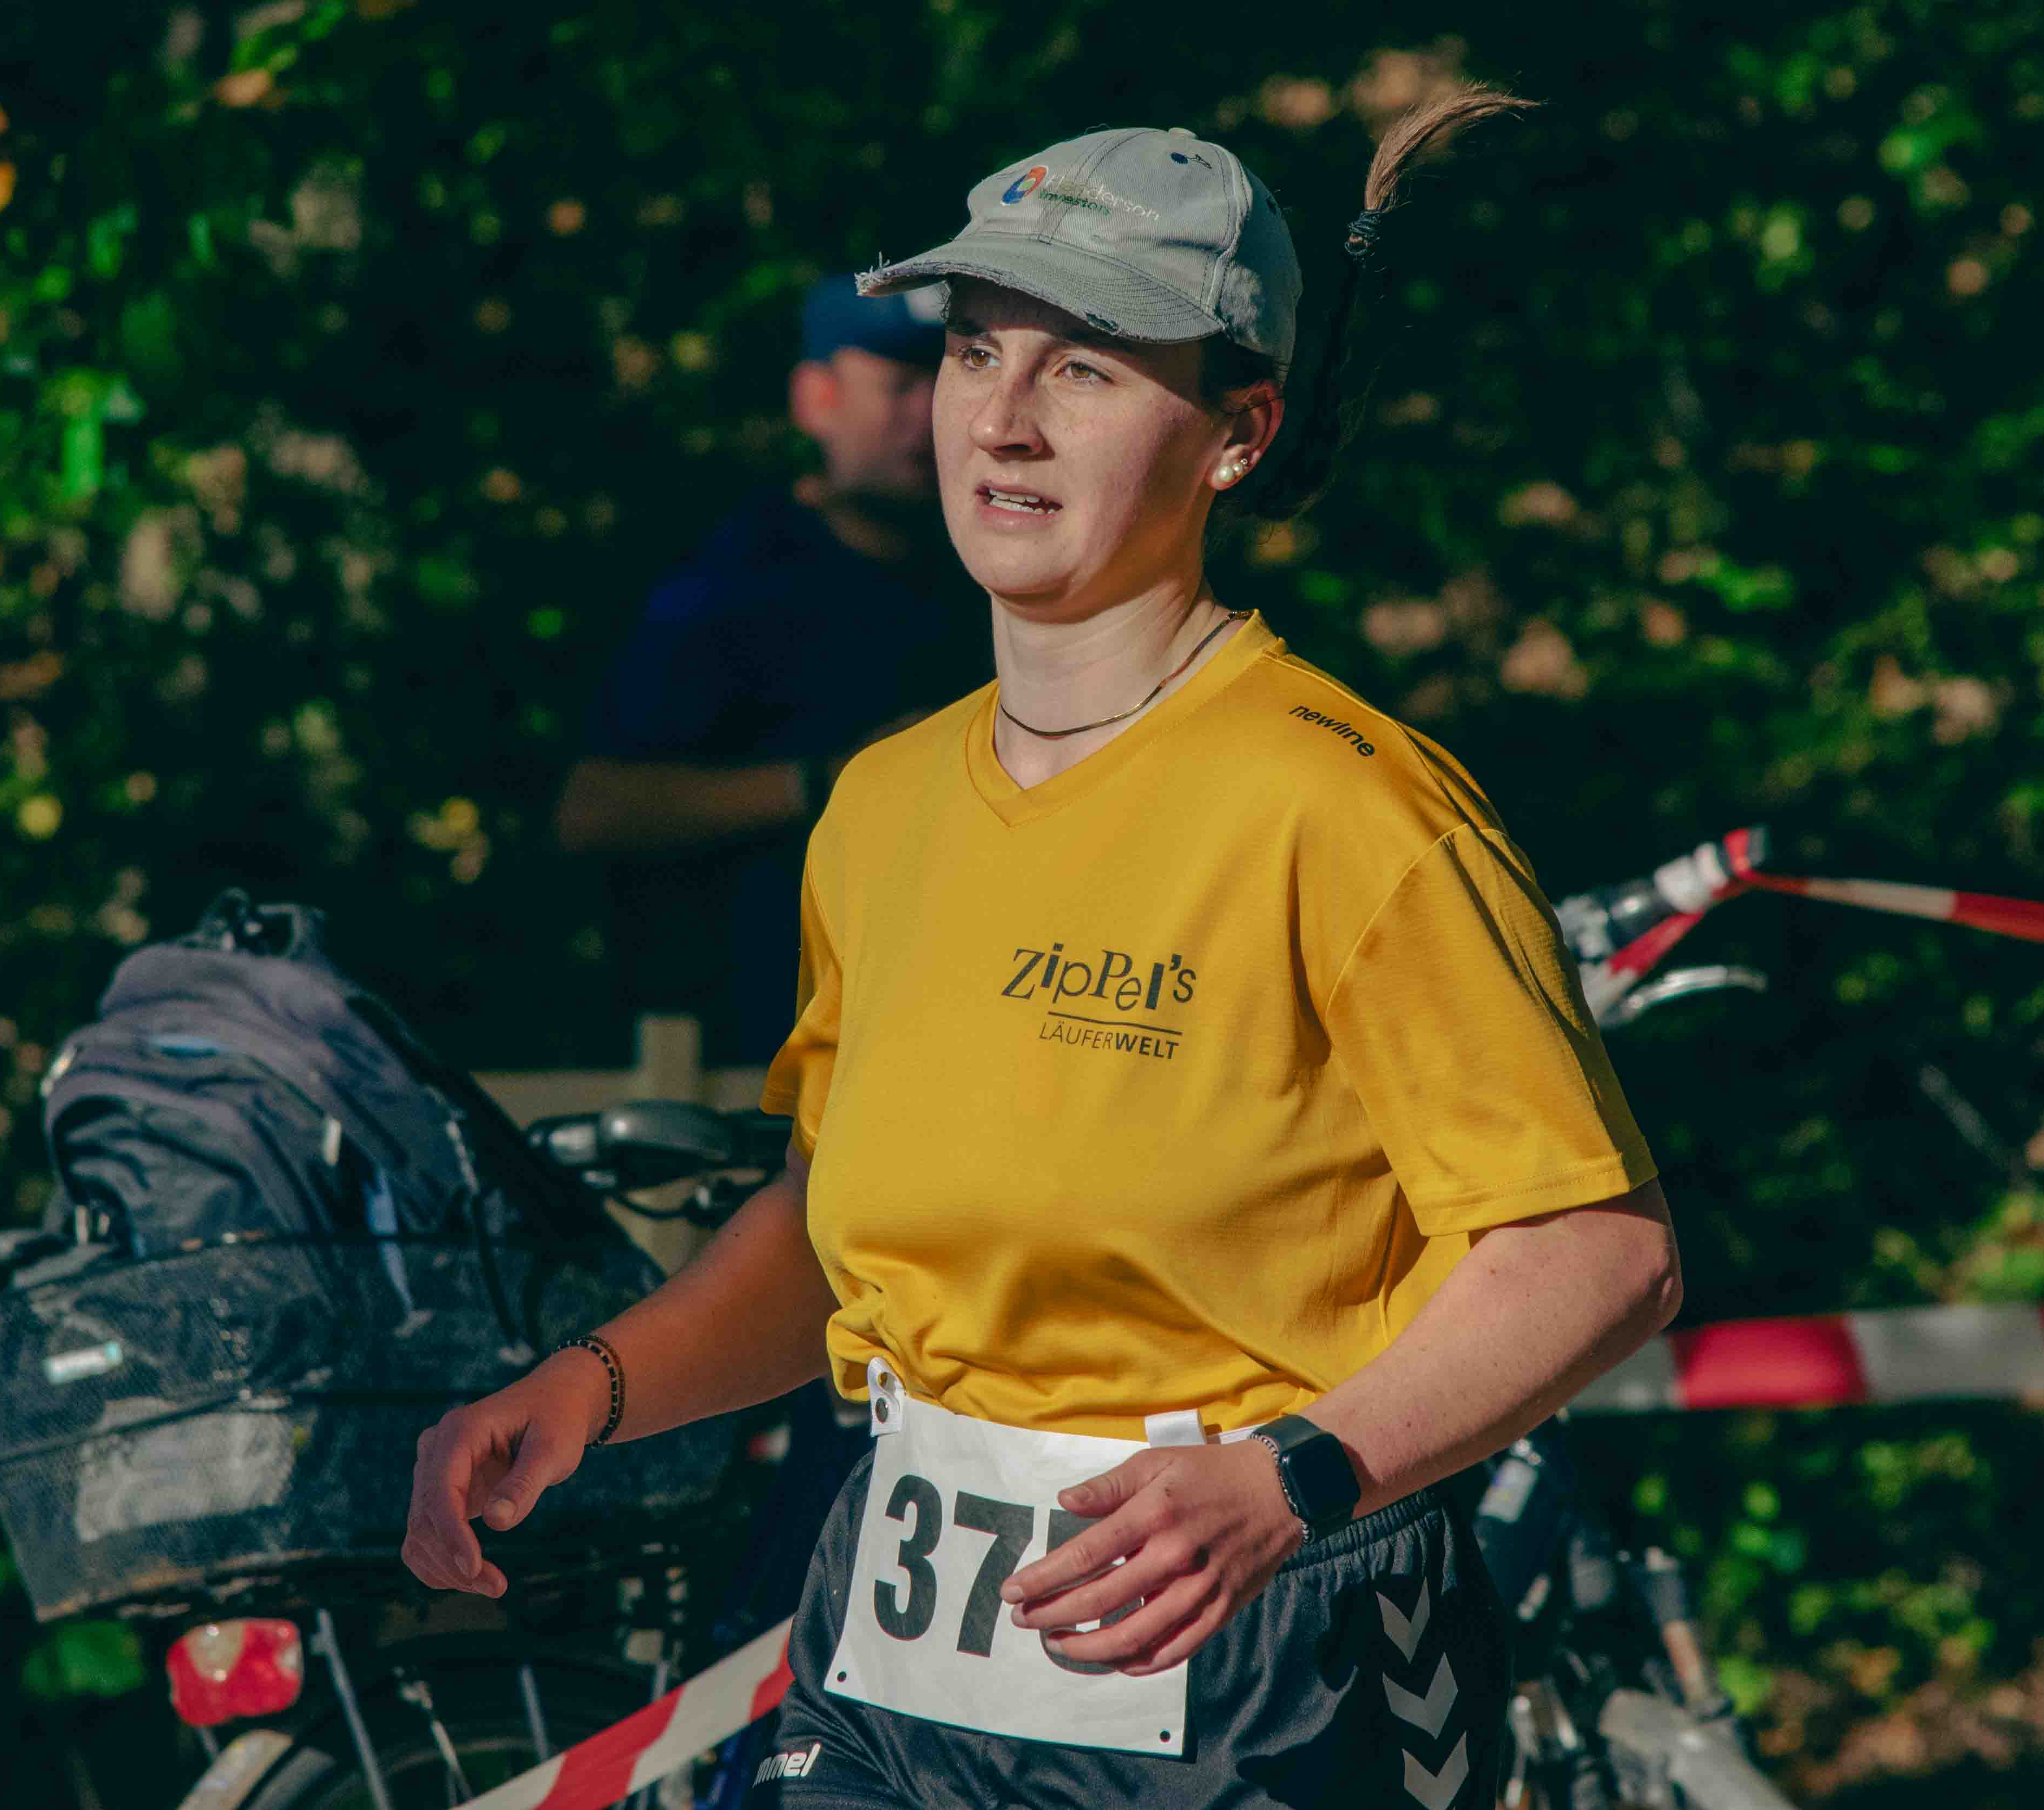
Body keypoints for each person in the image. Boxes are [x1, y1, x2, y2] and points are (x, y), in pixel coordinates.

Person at [411, 94, 1676, 1810]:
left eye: (1083, 367)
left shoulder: (1349, 808)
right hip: (897, 1655)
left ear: (1239, 432)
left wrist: (1293, 1482)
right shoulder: (881, 806)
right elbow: (831, 1231)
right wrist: (593, 1385)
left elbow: (1595, 1254)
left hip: (1272, 1653)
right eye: (974, 351)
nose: (1002, 419)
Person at [553, 274, 980, 1069]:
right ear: (816, 401)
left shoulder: (990, 582)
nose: (929, 415)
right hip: (740, 1071)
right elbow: (594, 809)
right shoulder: (731, 583)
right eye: (898, 385)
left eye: (951, 378)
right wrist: (832, 782)